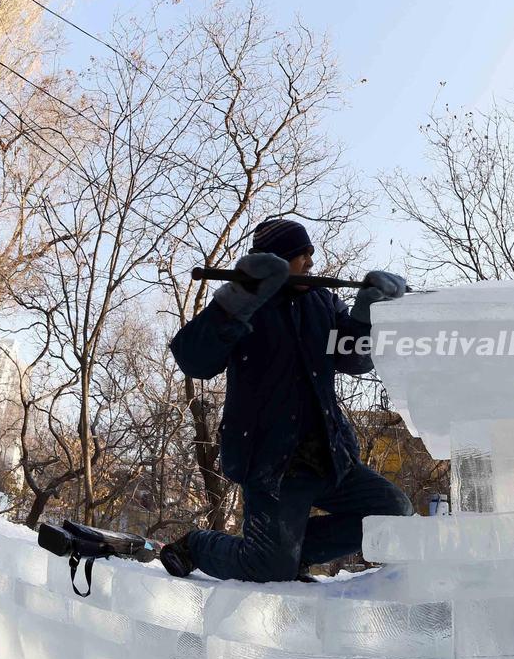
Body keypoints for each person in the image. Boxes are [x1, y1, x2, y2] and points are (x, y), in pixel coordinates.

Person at [161, 218, 414, 582]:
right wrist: (235, 301)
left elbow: (355, 361)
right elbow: (194, 360)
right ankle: (198, 546)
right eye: (301, 254)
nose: (310, 262)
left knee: (392, 513)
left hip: (330, 457)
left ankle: (284, 554)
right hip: (272, 465)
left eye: (311, 253)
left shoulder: (322, 301)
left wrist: (365, 317)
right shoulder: (247, 302)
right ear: (277, 260)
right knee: (267, 569)